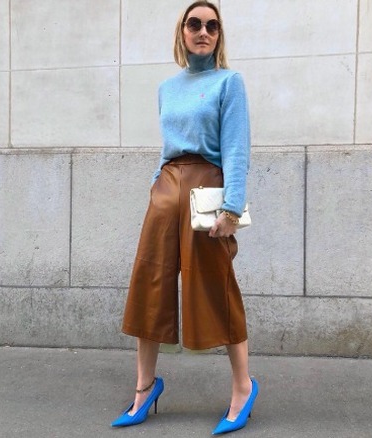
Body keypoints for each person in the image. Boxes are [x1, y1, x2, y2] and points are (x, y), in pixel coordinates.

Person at [111, 1, 257, 434]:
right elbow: (168, 144)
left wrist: (232, 208)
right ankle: (144, 386)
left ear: (219, 35)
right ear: (182, 31)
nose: (203, 31)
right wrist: (157, 183)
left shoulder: (229, 82)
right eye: (195, 23)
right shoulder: (167, 87)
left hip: (206, 192)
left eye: (212, 25)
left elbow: (236, 148)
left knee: (217, 287)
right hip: (166, 192)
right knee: (149, 285)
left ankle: (243, 386)